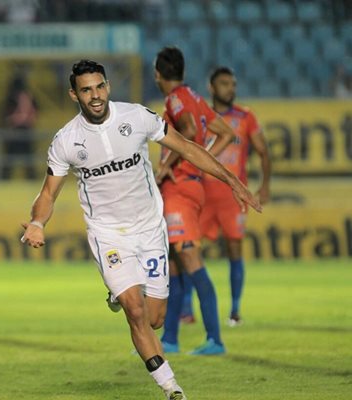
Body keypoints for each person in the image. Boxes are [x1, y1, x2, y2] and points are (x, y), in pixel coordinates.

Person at [21, 60, 261, 400]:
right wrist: (36, 222)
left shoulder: (137, 117)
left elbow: (189, 148)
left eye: (99, 86)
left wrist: (232, 180)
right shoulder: (66, 140)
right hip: (108, 234)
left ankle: (119, 291)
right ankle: (172, 387)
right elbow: (48, 193)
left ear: (107, 86)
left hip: (149, 229)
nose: (95, 95)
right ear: (74, 94)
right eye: (86, 90)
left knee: (155, 318)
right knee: (135, 311)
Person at [153, 46, 237, 355]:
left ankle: (215, 339)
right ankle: (170, 340)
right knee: (173, 266)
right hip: (189, 187)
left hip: (180, 191)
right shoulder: (197, 98)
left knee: (190, 260)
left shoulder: (175, 99)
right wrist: (201, 161)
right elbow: (227, 133)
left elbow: (187, 130)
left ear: (158, 74)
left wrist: (169, 166)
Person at [180, 66, 271, 327]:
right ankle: (187, 309)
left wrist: (265, 186)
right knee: (189, 248)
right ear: (211, 87)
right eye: (224, 84)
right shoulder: (202, 117)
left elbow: (263, 151)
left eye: (232, 84)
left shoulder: (246, 116)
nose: (230, 88)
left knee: (234, 249)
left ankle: (234, 311)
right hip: (203, 193)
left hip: (234, 196)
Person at [1, 72, 38, 179]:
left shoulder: (11, 97)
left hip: (14, 130)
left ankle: (5, 180)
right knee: (28, 159)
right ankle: (31, 179)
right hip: (26, 129)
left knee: (10, 159)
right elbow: (35, 112)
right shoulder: (29, 96)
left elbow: (5, 114)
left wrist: (12, 120)